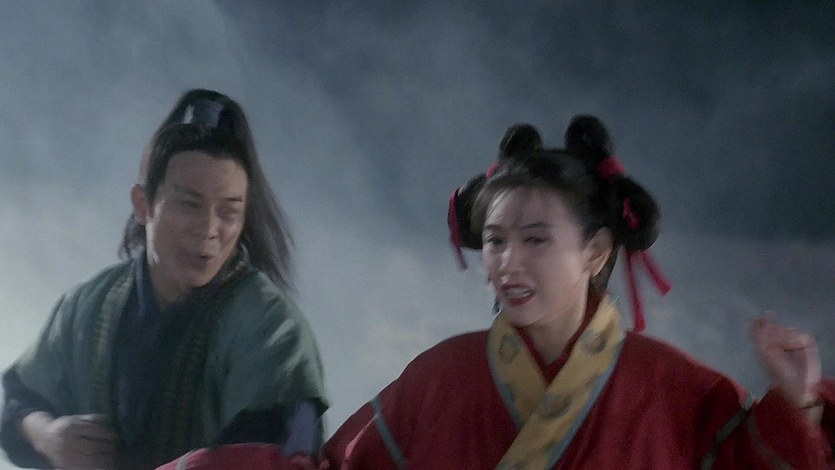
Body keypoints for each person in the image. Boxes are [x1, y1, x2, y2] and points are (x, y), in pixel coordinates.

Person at [153, 115, 834, 470]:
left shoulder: (672, 387)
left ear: (596, 251)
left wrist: (797, 404)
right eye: (496, 241)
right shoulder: (439, 379)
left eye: (535, 240)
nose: (507, 262)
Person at [0, 89, 328, 470]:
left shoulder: (271, 330)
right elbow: (17, 400)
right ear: (143, 206)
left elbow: (288, 457)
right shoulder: (88, 305)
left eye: (228, 211)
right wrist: (48, 436)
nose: (208, 229)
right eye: (189, 204)